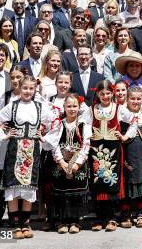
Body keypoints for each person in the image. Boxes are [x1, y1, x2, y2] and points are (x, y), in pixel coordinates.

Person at [0, 75, 61, 239]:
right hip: (14, 151)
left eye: (31, 88)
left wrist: (45, 138)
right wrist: (3, 135)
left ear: (35, 90)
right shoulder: (12, 106)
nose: (28, 91)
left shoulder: (40, 107)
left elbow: (56, 121)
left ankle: (25, 223)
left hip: (32, 151)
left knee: (28, 187)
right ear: (19, 88)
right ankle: (14, 224)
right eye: (25, 88)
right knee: (12, 187)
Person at [86, 79, 137, 232]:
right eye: (102, 94)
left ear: (112, 93)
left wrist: (125, 137)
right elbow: (85, 126)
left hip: (114, 150)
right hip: (96, 150)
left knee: (111, 182)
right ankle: (99, 217)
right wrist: (88, 138)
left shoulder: (119, 108)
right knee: (98, 182)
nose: (106, 96)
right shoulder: (92, 109)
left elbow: (134, 121)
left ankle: (111, 218)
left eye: (108, 93)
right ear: (98, 94)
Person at [51, 93, 91, 234]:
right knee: (61, 194)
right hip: (61, 164)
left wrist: (77, 164)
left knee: (76, 194)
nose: (72, 109)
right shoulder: (58, 124)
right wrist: (61, 161)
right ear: (64, 107)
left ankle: (75, 221)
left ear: (79, 107)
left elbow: (86, 145)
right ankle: (62, 221)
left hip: (77, 166)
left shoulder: (83, 125)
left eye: (75, 106)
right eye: (69, 106)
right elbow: (54, 144)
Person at [119, 87, 142, 229]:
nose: (135, 101)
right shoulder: (122, 113)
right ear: (127, 99)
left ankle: (141, 214)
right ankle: (126, 214)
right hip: (127, 151)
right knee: (127, 182)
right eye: (132, 98)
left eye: (138, 98)